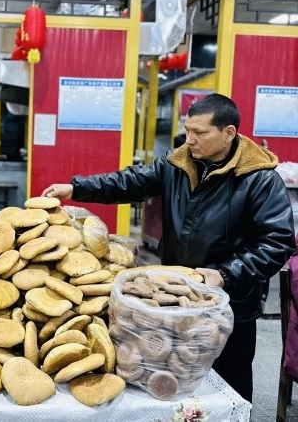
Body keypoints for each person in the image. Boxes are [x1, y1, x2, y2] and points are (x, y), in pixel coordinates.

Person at [42, 93, 296, 403]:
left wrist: (224, 275)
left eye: (199, 132)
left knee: (227, 384)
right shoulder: (177, 163)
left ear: (229, 133)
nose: (189, 139)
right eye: (187, 130)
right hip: (172, 296)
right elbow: (130, 182)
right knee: (172, 375)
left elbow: (277, 242)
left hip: (229, 303)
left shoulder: (259, 180)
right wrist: (77, 187)